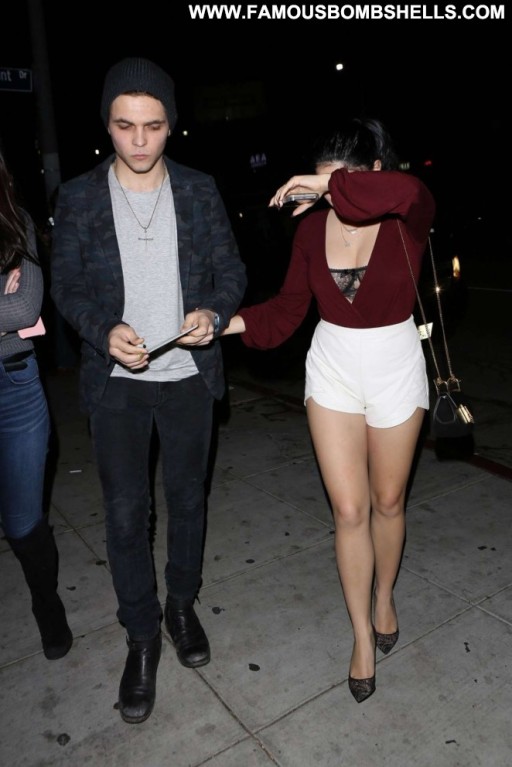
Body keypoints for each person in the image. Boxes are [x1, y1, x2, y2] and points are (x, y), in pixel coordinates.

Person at [50, 57, 247, 724]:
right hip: (117, 387)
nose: (138, 140)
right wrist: (102, 329)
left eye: (153, 126)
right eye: (124, 125)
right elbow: (66, 284)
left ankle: (181, 606)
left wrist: (213, 312)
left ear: (171, 124)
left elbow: (231, 269)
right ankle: (141, 636)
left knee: (188, 501)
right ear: (106, 123)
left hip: (188, 377)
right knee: (125, 513)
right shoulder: (78, 196)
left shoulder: (198, 189)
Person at [222, 118, 435, 703]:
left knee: (388, 501)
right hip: (334, 368)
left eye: (339, 182)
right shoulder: (312, 230)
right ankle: (361, 634)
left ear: (373, 173)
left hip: (394, 364)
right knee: (349, 510)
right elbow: (287, 309)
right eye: (321, 181)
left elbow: (414, 190)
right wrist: (221, 325)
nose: (327, 194)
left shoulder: (406, 219)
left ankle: (385, 595)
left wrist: (329, 185)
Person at [0, 145, 73, 661]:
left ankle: (47, 605)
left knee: (23, 523)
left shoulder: (14, 220)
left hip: (16, 390)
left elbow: (25, 306)